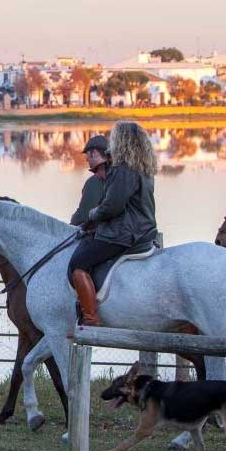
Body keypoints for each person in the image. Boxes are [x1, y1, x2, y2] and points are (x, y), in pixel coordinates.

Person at [67, 122, 158, 326]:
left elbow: (112, 206)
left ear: (123, 142)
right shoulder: (144, 168)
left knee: (78, 263)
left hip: (125, 234)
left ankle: (90, 319)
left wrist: (92, 214)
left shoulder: (124, 169)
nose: (111, 144)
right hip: (144, 230)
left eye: (115, 138)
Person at [70, 135, 111, 226]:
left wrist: (73, 220)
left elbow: (83, 216)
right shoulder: (122, 173)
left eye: (87, 154)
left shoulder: (94, 182)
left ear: (95, 153)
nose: (86, 159)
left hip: (102, 235)